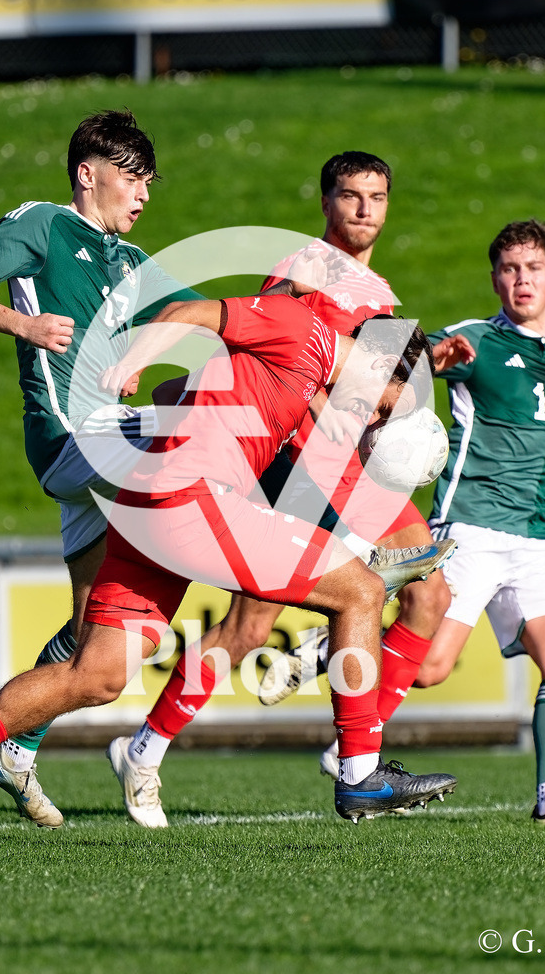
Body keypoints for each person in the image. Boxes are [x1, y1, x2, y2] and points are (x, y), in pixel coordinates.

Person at [0, 292, 459, 852]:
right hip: (189, 497)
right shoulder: (301, 328)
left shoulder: (304, 379)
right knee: (360, 589)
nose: (371, 419)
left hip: (148, 501)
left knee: (98, 674)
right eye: (382, 407)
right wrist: (134, 358)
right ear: (381, 363)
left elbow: (171, 390)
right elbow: (189, 313)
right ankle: (360, 774)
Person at [106, 152, 472, 828]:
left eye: (377, 196)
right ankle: (144, 748)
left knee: (429, 590)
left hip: (350, 465)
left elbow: (375, 373)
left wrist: (429, 359)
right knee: (247, 627)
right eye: (350, 195)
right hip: (297, 461)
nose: (364, 208)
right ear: (325, 201)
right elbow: (261, 347)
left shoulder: (378, 290)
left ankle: (351, 752)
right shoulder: (307, 269)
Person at [0, 109, 203, 828]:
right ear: (89, 175)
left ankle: (12, 749)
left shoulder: (130, 259)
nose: (143, 193)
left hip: (100, 449)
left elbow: (200, 317)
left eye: (150, 181)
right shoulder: (44, 224)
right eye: (132, 178)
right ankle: (297, 562)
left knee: (92, 641)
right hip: (69, 438)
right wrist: (23, 326)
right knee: (200, 451)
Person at [414, 218, 545, 828]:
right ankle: (337, 652)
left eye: (533, 268)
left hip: (537, 534)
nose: (522, 279)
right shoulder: (474, 340)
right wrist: (432, 359)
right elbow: (411, 359)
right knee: (429, 668)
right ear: (495, 279)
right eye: (510, 269)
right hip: (471, 525)